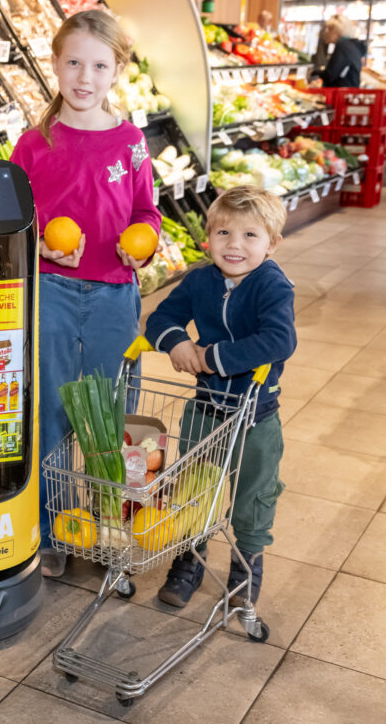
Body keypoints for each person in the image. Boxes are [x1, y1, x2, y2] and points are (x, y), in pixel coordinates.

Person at [9, 10, 161, 578]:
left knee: (113, 414)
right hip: (49, 293)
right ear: (54, 64)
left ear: (117, 70)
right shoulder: (31, 144)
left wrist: (141, 246)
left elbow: (147, 212)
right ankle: (51, 530)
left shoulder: (131, 143)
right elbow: (16, 219)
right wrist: (42, 248)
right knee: (49, 411)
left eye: (98, 65)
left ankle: (114, 521)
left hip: (114, 297)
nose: (83, 76)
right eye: (72, 62)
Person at [144, 185, 296, 609]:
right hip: (205, 411)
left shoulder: (273, 286)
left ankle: (247, 566)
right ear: (206, 237)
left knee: (253, 494)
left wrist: (214, 357)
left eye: (251, 235)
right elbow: (161, 318)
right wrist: (176, 343)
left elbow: (279, 339)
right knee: (196, 488)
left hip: (256, 416)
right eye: (224, 233)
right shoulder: (200, 280)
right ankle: (189, 558)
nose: (234, 245)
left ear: (272, 243)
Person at [315, 15, 366, 88]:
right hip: (349, 91)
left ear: (339, 31)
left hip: (341, 94)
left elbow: (331, 75)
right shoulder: (351, 45)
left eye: (330, 29)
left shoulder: (343, 46)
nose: (326, 32)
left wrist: (316, 72)